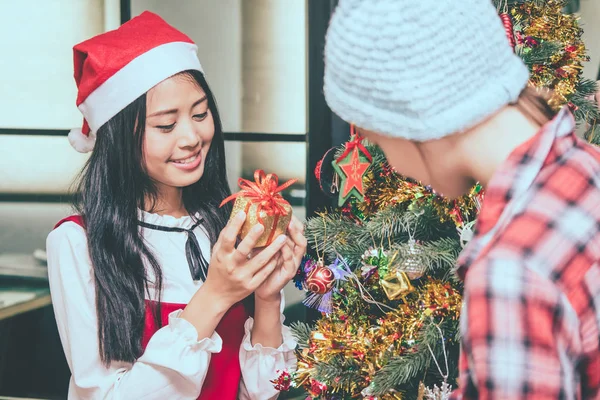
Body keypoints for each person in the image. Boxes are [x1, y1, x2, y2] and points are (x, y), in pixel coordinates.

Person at [323, 0, 600, 399]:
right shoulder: (585, 168)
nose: (392, 164)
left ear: (415, 118)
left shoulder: (512, 273)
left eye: (375, 139)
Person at [46, 11, 305, 400]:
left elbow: (262, 392)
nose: (192, 137)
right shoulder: (77, 242)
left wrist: (267, 297)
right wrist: (215, 294)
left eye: (200, 114)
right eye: (166, 126)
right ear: (119, 138)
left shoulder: (223, 226)